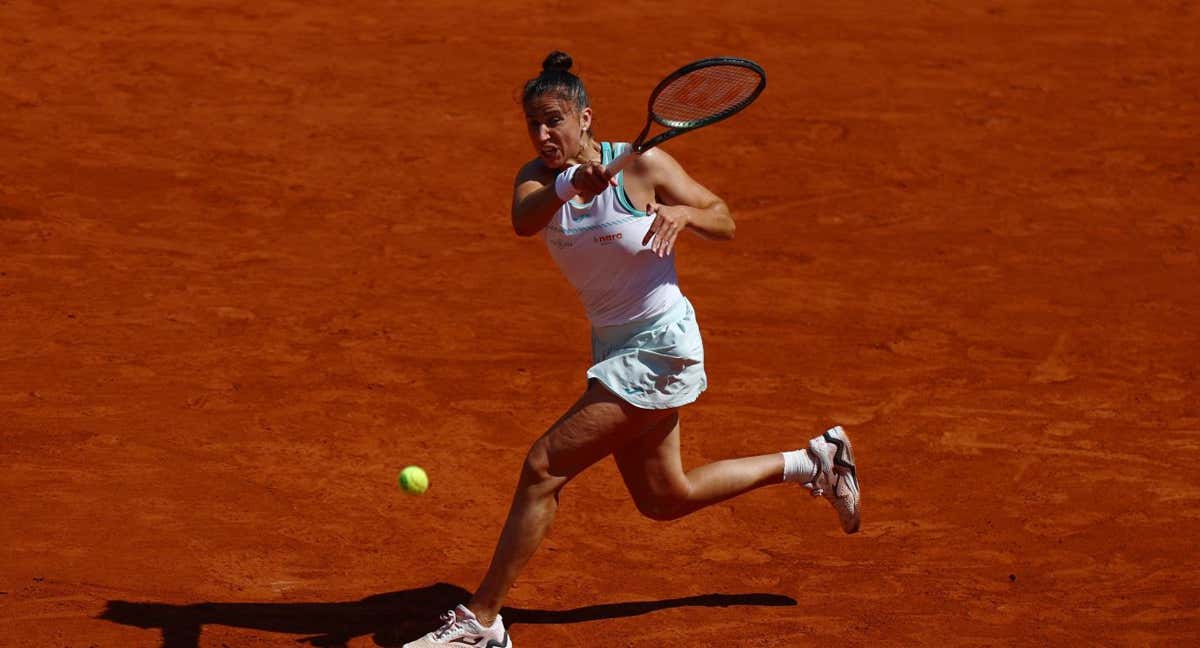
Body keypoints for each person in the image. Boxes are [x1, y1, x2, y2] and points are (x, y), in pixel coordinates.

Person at [403, 51, 860, 648]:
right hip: (615, 346)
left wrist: (683, 213)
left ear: (585, 117)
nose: (544, 135)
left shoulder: (645, 165)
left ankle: (482, 621)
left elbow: (725, 218)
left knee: (543, 468)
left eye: (554, 121)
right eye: (534, 125)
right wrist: (571, 181)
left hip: (659, 348)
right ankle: (813, 461)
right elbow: (523, 219)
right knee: (665, 498)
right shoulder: (538, 180)